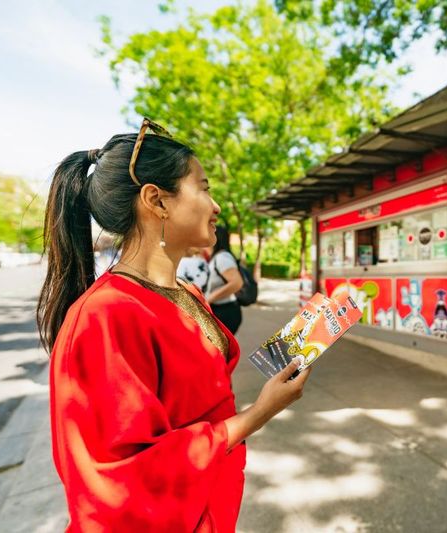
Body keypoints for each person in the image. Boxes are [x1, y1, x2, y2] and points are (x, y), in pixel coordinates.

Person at [36, 118, 310, 532]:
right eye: (204, 188)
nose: (216, 206)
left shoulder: (186, 291)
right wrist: (259, 412)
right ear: (157, 201)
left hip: (212, 508)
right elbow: (119, 483)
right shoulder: (105, 316)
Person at [206, 226, 243, 334]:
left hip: (225, 311)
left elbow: (237, 283)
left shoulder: (222, 257)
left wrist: (209, 299)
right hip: (221, 309)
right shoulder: (218, 256)